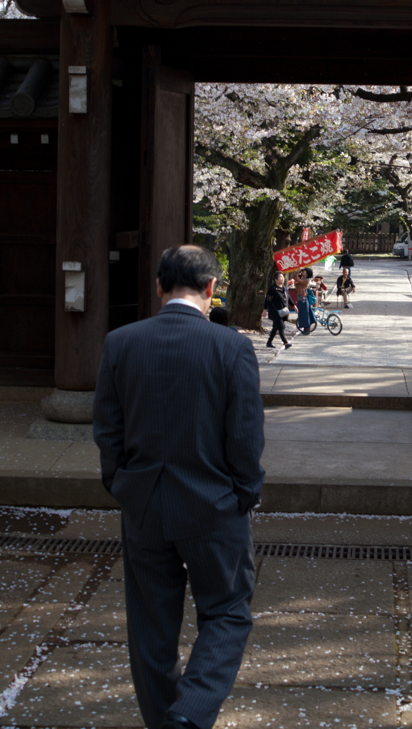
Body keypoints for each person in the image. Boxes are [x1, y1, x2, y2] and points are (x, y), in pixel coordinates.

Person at [93, 244, 264, 729]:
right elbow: (246, 438)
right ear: (211, 288)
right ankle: (189, 716)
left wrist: (123, 486)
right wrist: (243, 495)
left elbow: (107, 430)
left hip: (144, 504)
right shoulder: (231, 346)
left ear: (158, 286)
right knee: (228, 611)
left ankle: (165, 721)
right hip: (213, 504)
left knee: (150, 625)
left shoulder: (120, 342)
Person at [264, 271, 293, 349]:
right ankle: (286, 343)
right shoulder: (272, 288)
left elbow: (289, 298)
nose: (282, 279)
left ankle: (269, 342)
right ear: (275, 279)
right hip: (275, 312)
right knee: (281, 326)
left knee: (275, 327)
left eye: (283, 277)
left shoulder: (284, 288)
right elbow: (268, 299)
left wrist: (294, 306)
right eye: (280, 277)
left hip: (283, 312)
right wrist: (264, 309)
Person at [295, 269, 315, 334]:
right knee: (302, 314)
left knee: (305, 315)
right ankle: (305, 328)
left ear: (307, 273)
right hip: (300, 299)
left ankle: (307, 329)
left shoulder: (306, 281)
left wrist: (298, 271)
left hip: (303, 299)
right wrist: (299, 273)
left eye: (304, 271)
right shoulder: (302, 279)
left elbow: (297, 279)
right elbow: (295, 279)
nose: (302, 271)